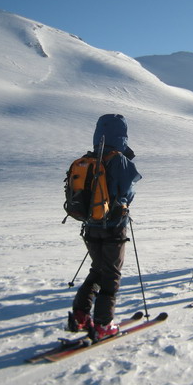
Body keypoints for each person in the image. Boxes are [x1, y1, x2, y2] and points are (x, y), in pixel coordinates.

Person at [70, 114, 141, 341]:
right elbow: (127, 190)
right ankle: (103, 323)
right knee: (111, 275)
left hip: (90, 225)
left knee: (98, 270)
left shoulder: (88, 159)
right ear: (122, 135)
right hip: (113, 226)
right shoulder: (118, 159)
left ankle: (80, 315)